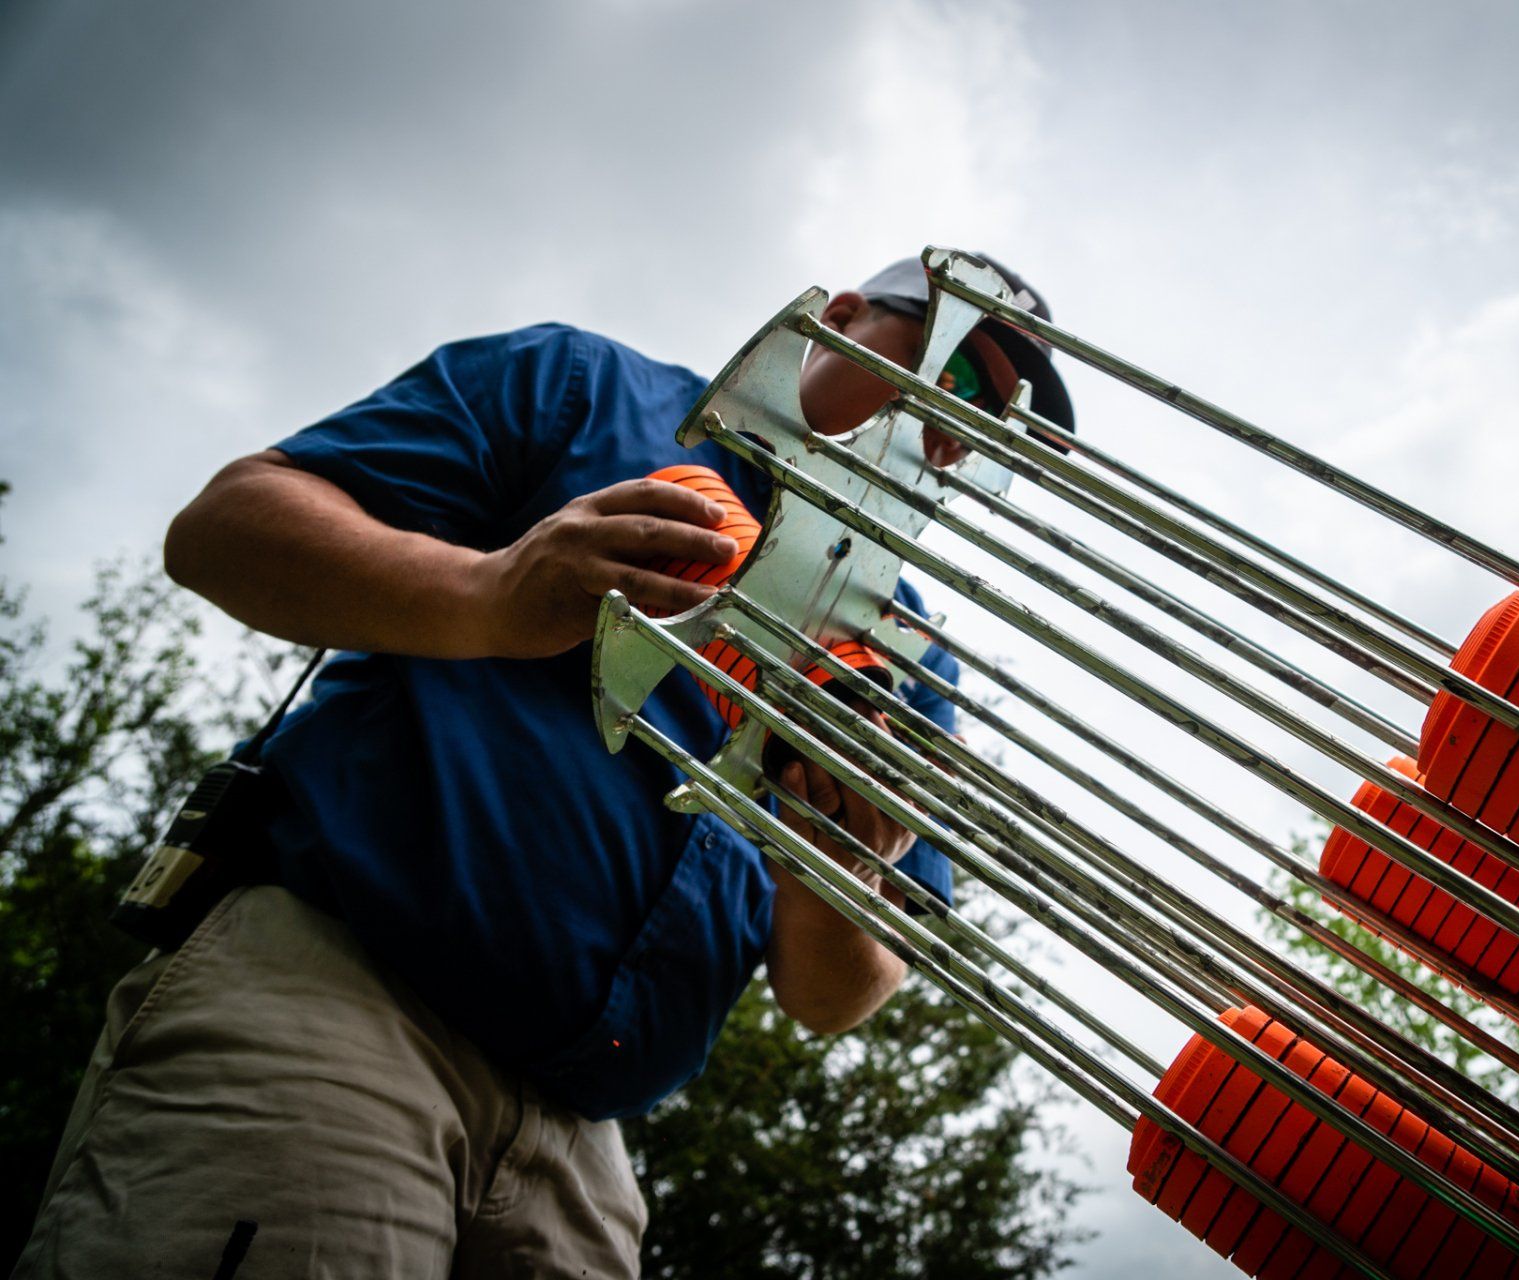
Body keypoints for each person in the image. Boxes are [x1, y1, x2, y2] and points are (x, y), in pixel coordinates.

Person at [14, 254, 1074, 1278]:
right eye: (950, 363)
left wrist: (828, 869)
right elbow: (225, 529)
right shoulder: (590, 389)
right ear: (841, 316)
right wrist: (489, 591)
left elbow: (838, 991)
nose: (951, 424)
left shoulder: (901, 650)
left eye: (987, 421)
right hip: (339, 1003)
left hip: (584, 1146)